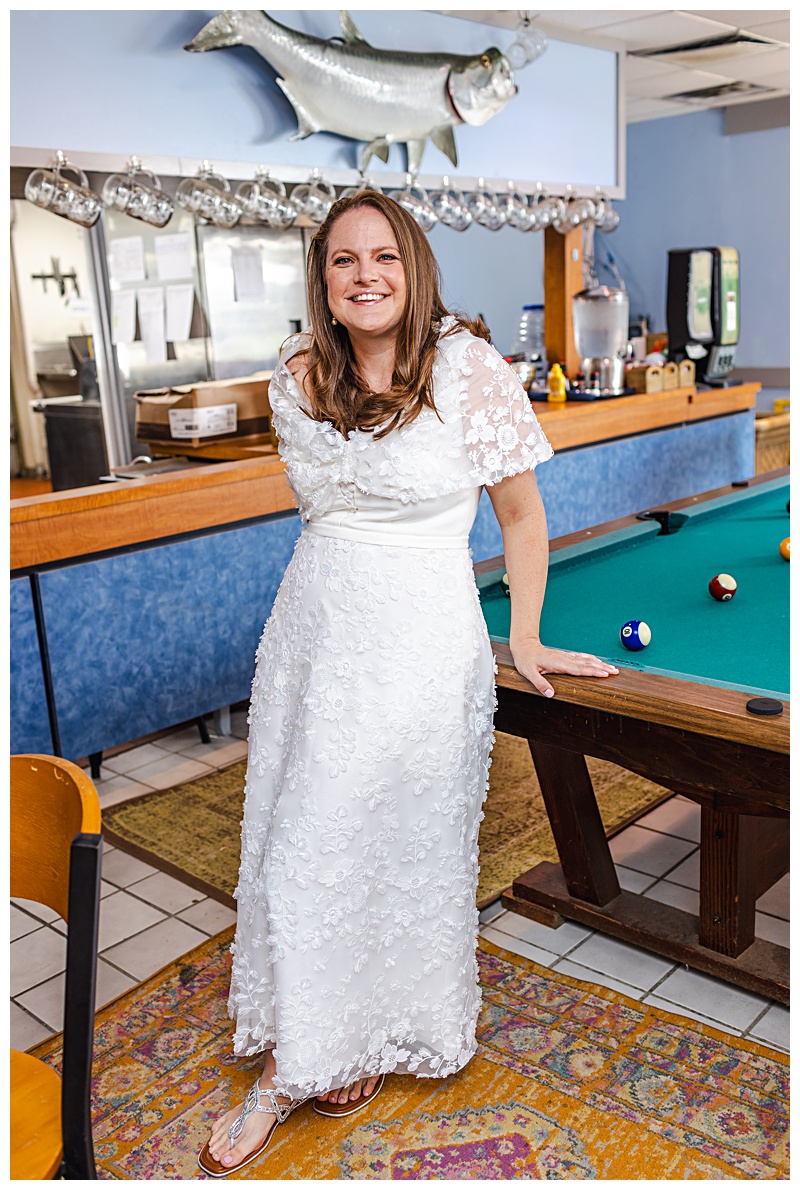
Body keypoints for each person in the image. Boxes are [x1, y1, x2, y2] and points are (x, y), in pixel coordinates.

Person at [199, 191, 617, 1177]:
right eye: (342, 261)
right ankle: (325, 1033)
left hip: (423, 639)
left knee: (388, 845)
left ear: (413, 265)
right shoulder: (297, 372)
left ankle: (321, 1053)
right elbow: (323, 511)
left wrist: (524, 637)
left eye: (382, 256)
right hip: (310, 634)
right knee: (295, 837)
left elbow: (518, 517)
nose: (363, 275)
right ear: (324, 280)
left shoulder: (472, 368)